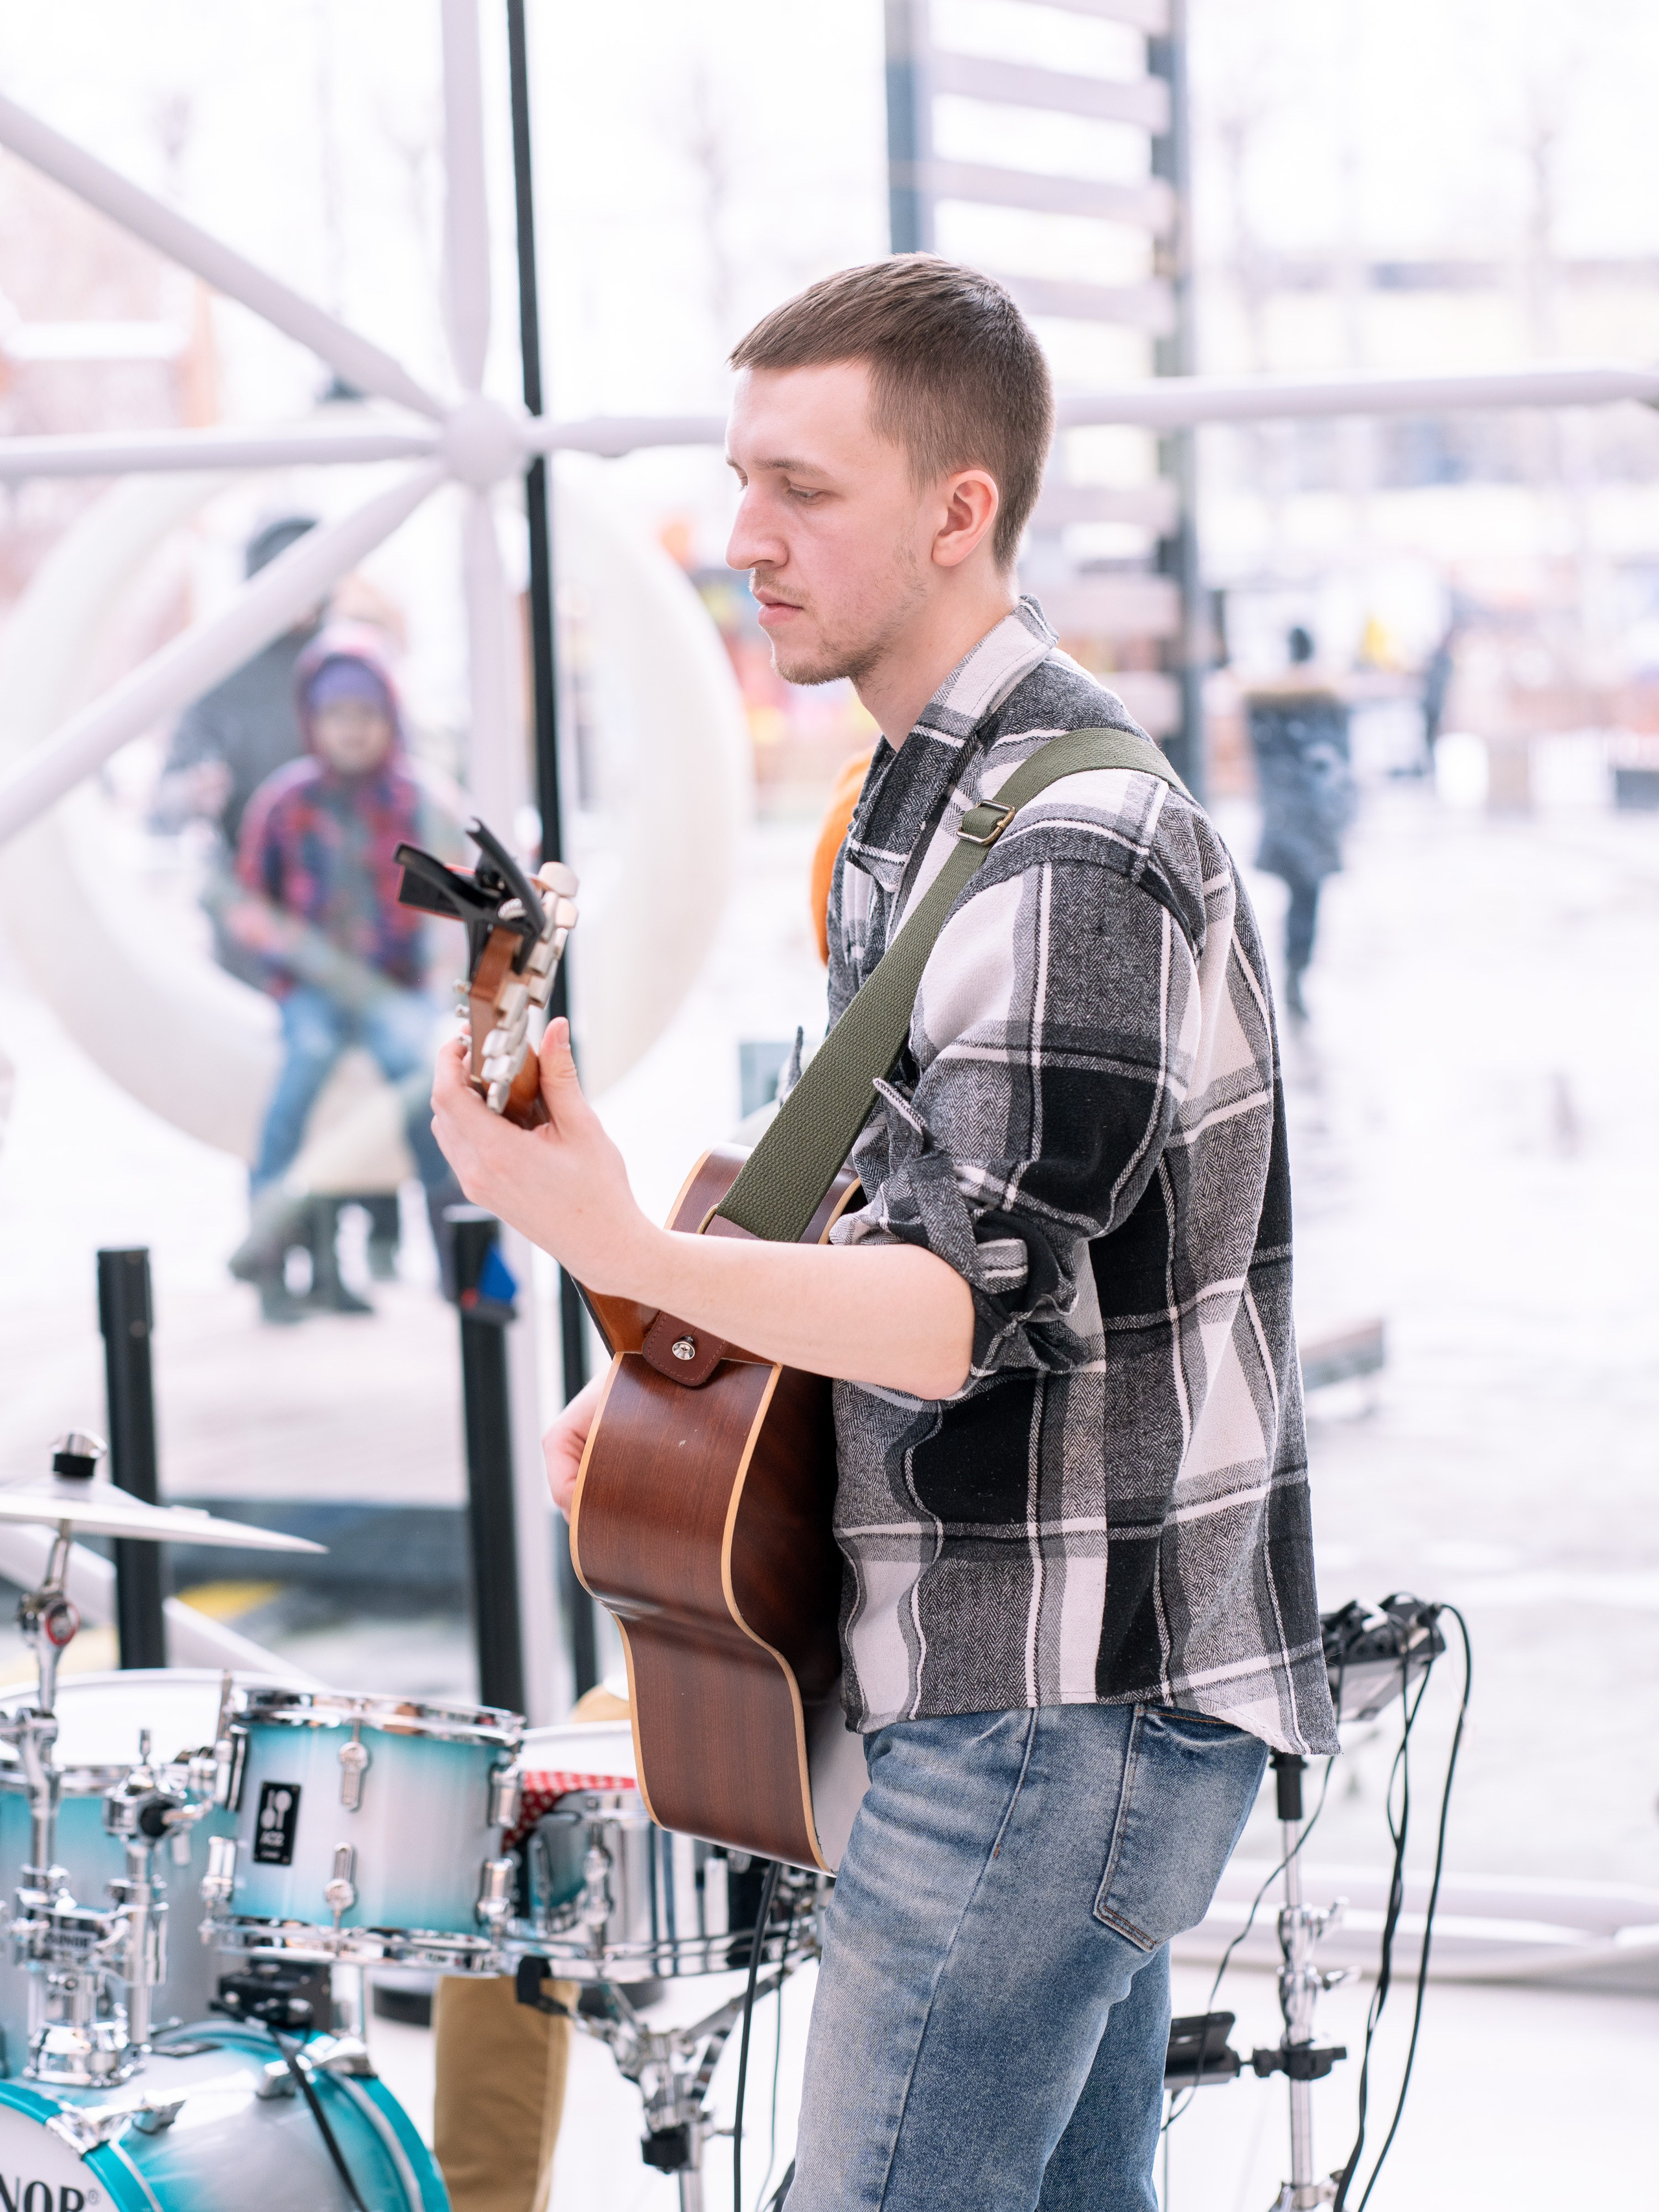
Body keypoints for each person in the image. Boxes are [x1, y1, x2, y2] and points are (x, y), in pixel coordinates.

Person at [430, 257, 1338, 2211]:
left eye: (801, 489)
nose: (742, 539)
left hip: (1047, 1712)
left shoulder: (1071, 851)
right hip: (1015, 1688)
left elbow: (950, 1314)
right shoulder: (918, 812)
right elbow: (899, 1211)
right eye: (738, 479)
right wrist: (662, 1348)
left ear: (957, 511)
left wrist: (634, 1252)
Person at [231, 622, 460, 1323]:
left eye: (365, 714)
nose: (351, 730)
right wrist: (289, 955)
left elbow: (461, 893)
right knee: (300, 1074)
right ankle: (267, 1250)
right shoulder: (286, 802)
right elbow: (248, 906)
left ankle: (461, 1253)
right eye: (336, 715)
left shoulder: (418, 800)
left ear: (388, 716)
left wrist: (440, 966)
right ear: (313, 720)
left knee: (429, 1088)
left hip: (397, 990)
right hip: (313, 992)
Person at [1245, 625, 1355, 1021]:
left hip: (1287, 816)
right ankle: (1296, 972)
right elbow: (1341, 761)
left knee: (1299, 897)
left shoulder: (1269, 701)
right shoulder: (1327, 699)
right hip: (1314, 817)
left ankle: (1293, 973)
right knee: (1307, 899)